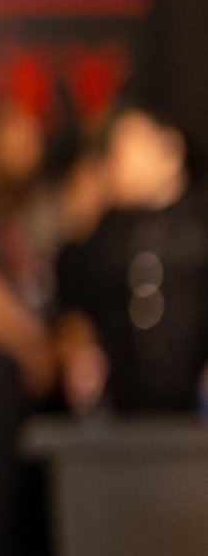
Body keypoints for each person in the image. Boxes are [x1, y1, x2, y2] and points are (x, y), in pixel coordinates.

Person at [57, 101, 208, 414]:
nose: (120, 158)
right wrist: (84, 352)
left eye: (131, 144)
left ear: (170, 151)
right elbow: (78, 309)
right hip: (122, 419)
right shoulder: (104, 232)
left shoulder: (200, 222)